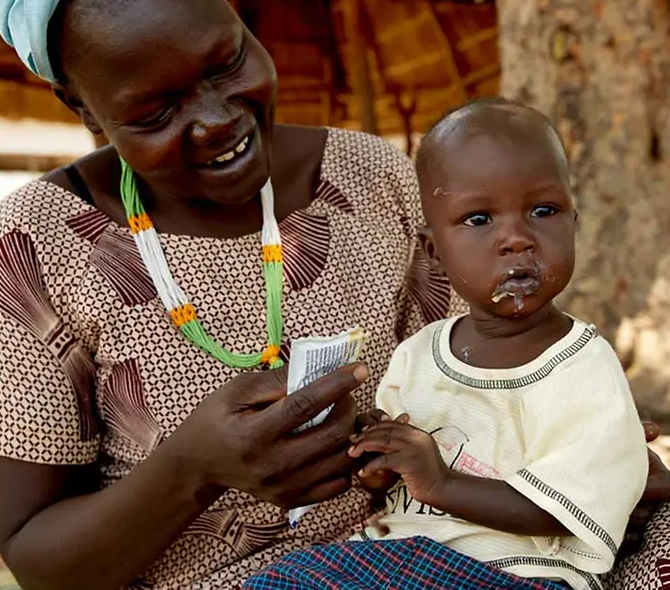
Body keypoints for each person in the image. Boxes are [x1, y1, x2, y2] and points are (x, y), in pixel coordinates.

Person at [0, 0, 670, 589]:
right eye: (155, 113)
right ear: (82, 108)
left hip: (474, 543)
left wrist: (586, 439)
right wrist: (189, 471)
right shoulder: (37, 246)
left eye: (227, 62)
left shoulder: (378, 179)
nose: (219, 120)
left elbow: (488, 370)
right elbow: (39, 560)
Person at [244, 100, 649, 590]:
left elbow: (567, 510)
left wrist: (440, 483)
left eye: (544, 211)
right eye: (479, 219)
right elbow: (398, 488)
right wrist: (380, 463)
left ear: (575, 222)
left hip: (516, 573)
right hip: (398, 559)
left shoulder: (581, 365)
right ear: (434, 250)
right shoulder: (418, 354)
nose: (517, 239)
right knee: (284, 580)